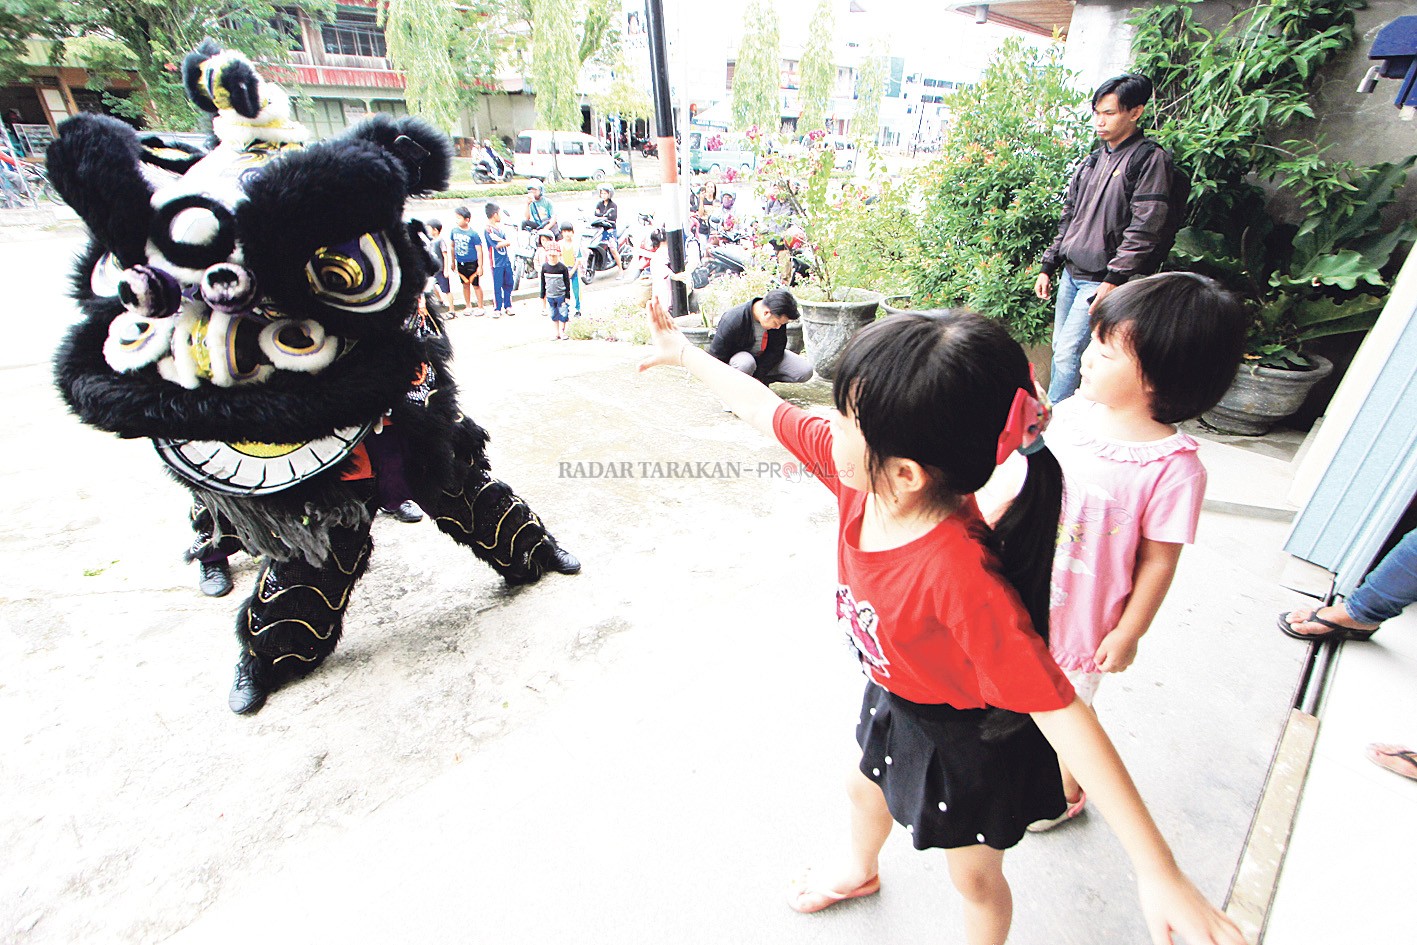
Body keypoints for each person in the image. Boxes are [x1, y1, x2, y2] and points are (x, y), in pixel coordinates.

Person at [636, 300, 1244, 945]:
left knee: (975, 880)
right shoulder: (863, 481)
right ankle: (858, 867)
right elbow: (767, 409)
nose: (824, 425)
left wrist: (1159, 871)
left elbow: (1064, 713)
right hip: (898, 693)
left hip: (971, 739)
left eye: (843, 418)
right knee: (862, 786)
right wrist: (684, 354)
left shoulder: (960, 577)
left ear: (905, 472)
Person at [1022, 272, 1247, 831]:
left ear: (1163, 375)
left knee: (1066, 708)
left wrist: (1129, 632)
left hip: (1083, 618)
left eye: (1105, 348)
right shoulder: (1072, 415)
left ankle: (1066, 791)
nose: (1087, 356)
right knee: (1018, 687)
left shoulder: (1173, 470)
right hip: (1026, 585)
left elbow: (1159, 560)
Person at [1035, 74, 1180, 404]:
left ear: (1136, 112)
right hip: (1071, 274)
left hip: (1100, 279)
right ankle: (1067, 417)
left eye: (1109, 113)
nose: (1100, 121)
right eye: (1097, 112)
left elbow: (1145, 226)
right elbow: (1069, 217)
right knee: (1061, 350)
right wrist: (1049, 264)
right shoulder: (1093, 160)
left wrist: (1115, 278)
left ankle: (1055, 423)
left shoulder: (1148, 159)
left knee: (1070, 355)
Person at [707, 289, 813, 385]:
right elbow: (716, 357)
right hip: (740, 363)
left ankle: (759, 384)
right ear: (766, 313)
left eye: (782, 324)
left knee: (804, 370)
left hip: (763, 359)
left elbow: (777, 349)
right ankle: (740, 390)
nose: (778, 327)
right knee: (745, 363)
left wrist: (760, 376)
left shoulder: (778, 315)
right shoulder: (733, 320)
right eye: (776, 323)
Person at [448, 206, 488, 315]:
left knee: (475, 285)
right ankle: (468, 305)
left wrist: (480, 266)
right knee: (465, 284)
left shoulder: (473, 234)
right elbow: (452, 246)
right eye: (456, 218)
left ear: (467, 220)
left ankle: (480, 306)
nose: (457, 220)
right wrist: (452, 261)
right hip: (460, 262)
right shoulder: (454, 231)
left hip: (472, 263)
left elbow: (479, 250)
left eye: (459, 218)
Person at [485, 202, 515, 319]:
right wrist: (506, 242)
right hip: (496, 262)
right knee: (497, 285)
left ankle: (508, 305)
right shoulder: (488, 229)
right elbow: (495, 244)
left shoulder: (500, 228)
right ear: (495, 214)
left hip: (505, 260)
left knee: (508, 283)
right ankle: (497, 308)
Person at [541, 243, 573, 340]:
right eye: (550, 255)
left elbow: (567, 283)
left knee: (563, 314)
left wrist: (567, 296)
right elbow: (543, 283)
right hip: (550, 296)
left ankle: (562, 331)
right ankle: (556, 332)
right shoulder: (545, 267)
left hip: (561, 295)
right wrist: (543, 296)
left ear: (558, 255)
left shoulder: (562, 268)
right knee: (553, 314)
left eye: (554, 255)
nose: (552, 257)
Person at [591, 183, 624, 275]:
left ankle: (620, 269)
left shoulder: (613, 205)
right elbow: (595, 214)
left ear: (609, 194)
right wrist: (603, 215)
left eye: (605, 193)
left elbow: (613, 217)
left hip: (610, 230)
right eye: (602, 193)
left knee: (613, 249)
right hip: (600, 229)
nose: (603, 195)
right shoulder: (599, 204)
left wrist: (602, 215)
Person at [425, 219, 454, 313]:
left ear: (435, 230)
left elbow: (445, 255)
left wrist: (446, 269)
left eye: (429, 229)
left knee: (446, 290)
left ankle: (451, 309)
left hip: (441, 270)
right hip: (433, 270)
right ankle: (440, 300)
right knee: (432, 286)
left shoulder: (440, 241)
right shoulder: (430, 241)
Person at [559, 222, 583, 316]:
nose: (567, 234)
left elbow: (578, 259)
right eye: (565, 231)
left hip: (574, 270)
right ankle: (566, 308)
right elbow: (559, 258)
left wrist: (573, 270)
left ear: (572, 232)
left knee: (576, 290)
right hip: (564, 270)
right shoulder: (560, 244)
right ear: (562, 233)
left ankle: (577, 309)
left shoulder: (575, 244)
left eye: (569, 231)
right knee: (564, 290)